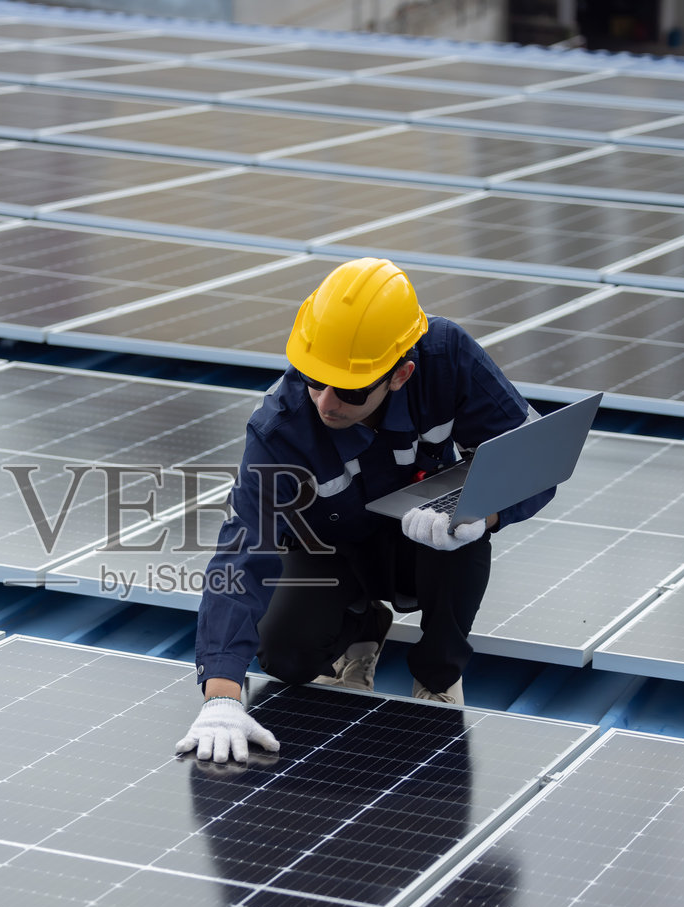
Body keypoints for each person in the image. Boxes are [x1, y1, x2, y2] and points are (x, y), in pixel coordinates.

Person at [177, 257, 554, 763]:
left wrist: (479, 516)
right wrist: (222, 695)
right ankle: (361, 628)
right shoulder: (280, 428)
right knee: (285, 655)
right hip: (332, 550)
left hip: (424, 543)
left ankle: (437, 678)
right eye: (314, 378)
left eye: (349, 388)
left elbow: (535, 459)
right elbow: (243, 551)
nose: (326, 402)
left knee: (462, 536)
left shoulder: (445, 358)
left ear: (401, 374)